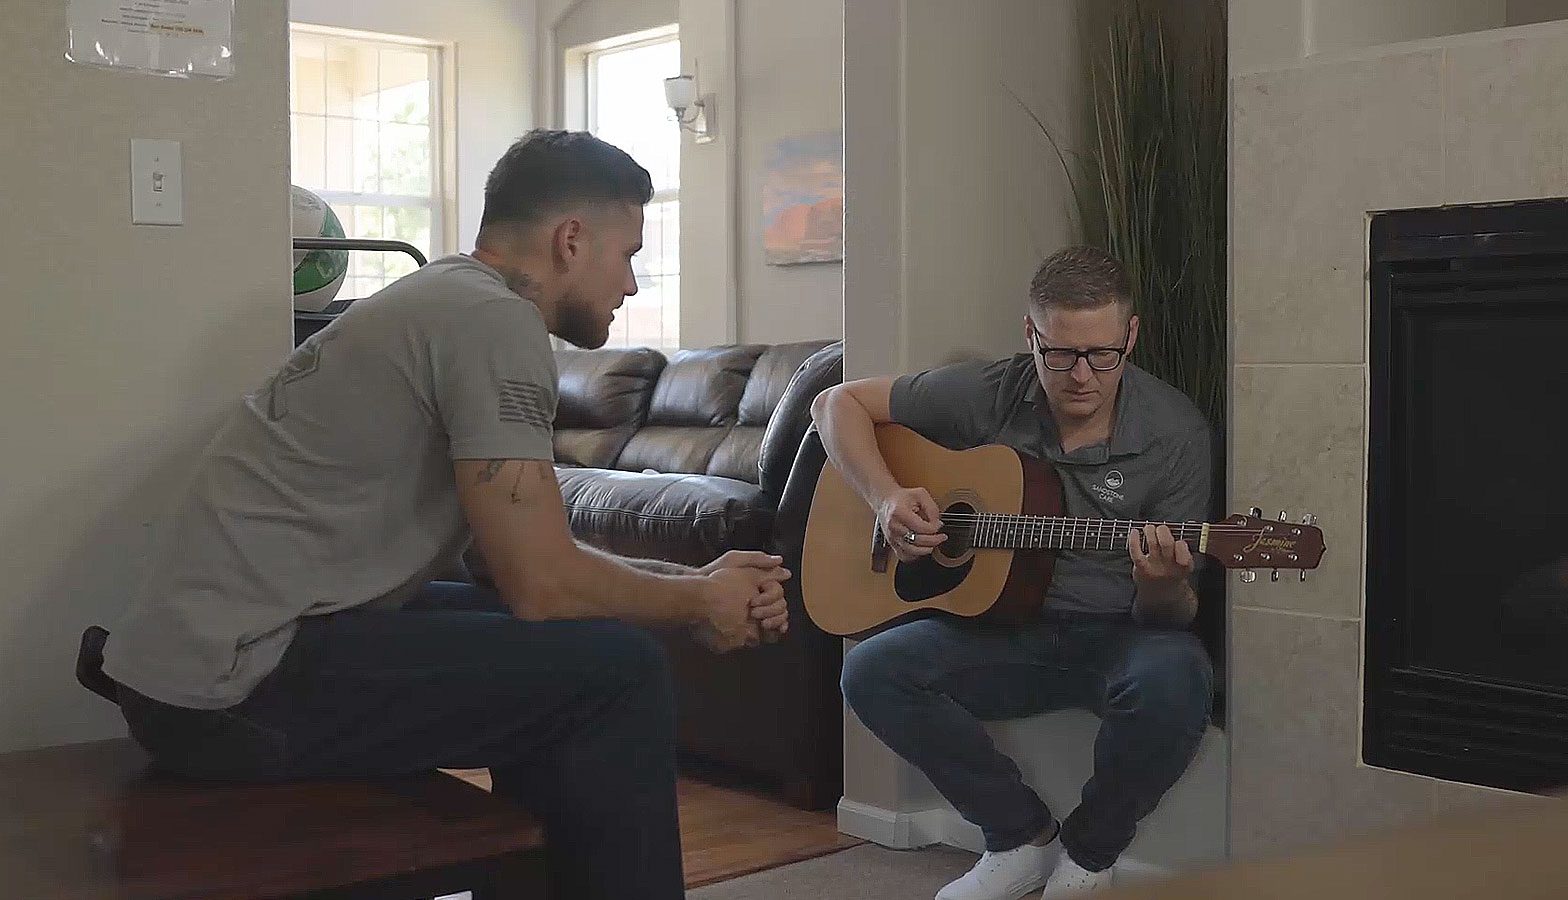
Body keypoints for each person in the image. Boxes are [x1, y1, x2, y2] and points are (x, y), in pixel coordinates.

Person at [101, 129, 789, 900]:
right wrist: (699, 599)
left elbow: (515, 569)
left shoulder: (445, 298)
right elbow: (542, 584)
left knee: (573, 649)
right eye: (628, 253)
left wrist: (694, 579)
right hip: (233, 687)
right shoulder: (491, 323)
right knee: (618, 673)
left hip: (214, 661)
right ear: (570, 240)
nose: (631, 283)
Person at [813, 246, 1215, 900]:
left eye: (1102, 354)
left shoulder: (1176, 434)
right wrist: (886, 497)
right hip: (1001, 629)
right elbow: (835, 406)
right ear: (1031, 335)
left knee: (1178, 678)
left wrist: (1163, 584)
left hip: (1119, 634)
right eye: (1059, 354)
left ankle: (1087, 856)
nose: (1081, 375)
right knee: (871, 670)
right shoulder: (991, 390)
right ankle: (1019, 837)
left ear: (1131, 335)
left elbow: (1168, 618)